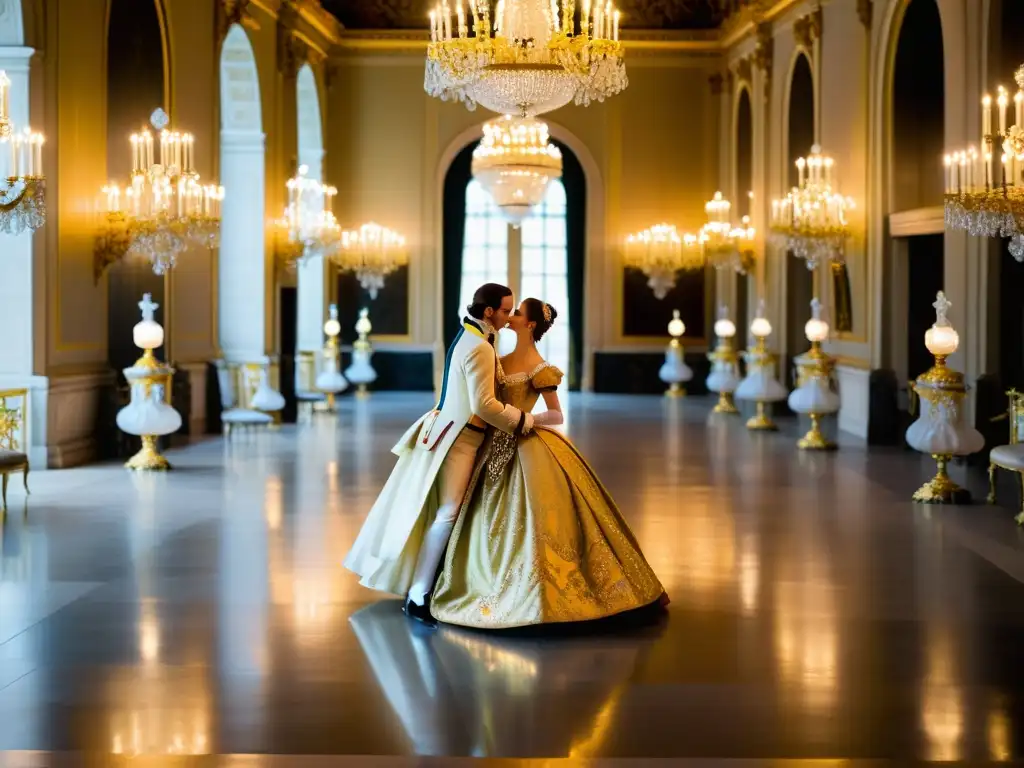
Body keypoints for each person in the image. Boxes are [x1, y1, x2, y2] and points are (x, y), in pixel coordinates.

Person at [430, 298, 668, 628]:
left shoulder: (541, 369)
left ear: (529, 325)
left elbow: (557, 414)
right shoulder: (495, 357)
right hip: (493, 442)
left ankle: (541, 591)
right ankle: (472, 578)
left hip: (528, 442)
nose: (510, 317)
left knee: (539, 515)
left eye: (517, 313)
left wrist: (529, 420)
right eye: (508, 311)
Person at [344, 283, 535, 625]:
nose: (509, 317)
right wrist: (523, 420)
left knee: (438, 510)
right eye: (506, 311)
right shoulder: (479, 346)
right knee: (447, 512)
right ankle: (419, 594)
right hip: (459, 438)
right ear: (489, 311)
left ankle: (427, 584)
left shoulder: (473, 337)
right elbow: (484, 405)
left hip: (453, 432)